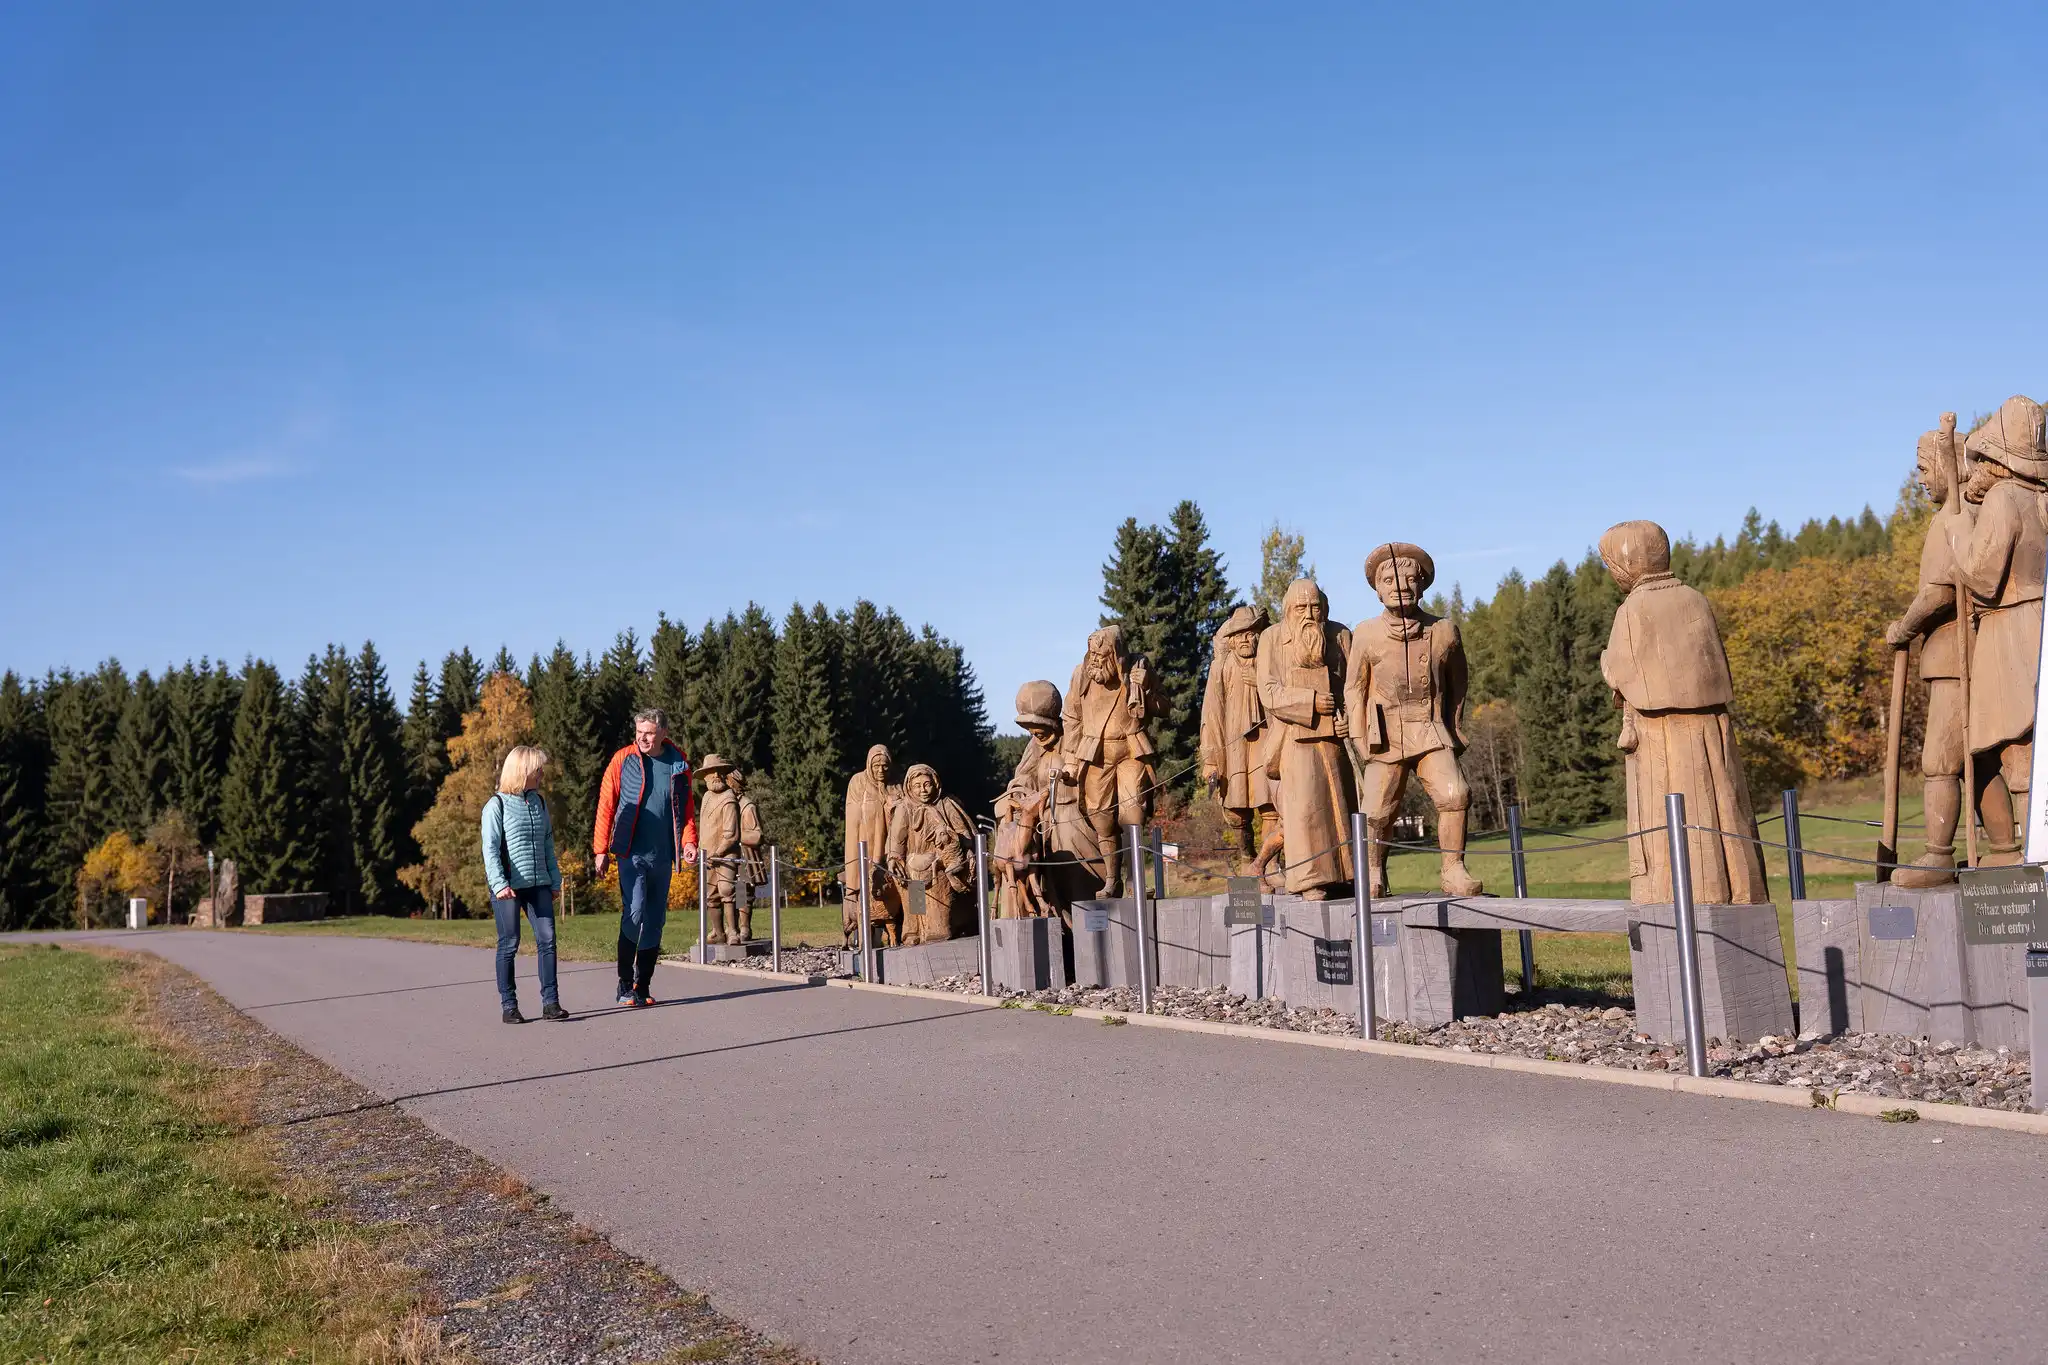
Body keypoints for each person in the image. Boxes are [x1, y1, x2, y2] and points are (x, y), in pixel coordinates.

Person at [1598, 520, 1769, 905]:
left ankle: (1681, 896)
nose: (1611, 574)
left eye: (1611, 565)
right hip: (1712, 729)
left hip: (1662, 736)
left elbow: (1624, 672)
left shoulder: (1633, 608)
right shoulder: (1695, 599)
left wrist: (1607, 662)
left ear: (1628, 563)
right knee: (1723, 806)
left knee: (1674, 816)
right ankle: (1738, 889)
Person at [1345, 543, 1484, 897]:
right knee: (1376, 810)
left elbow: (1459, 682)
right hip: (1384, 736)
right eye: (1389, 580)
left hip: (1429, 728)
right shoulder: (1366, 633)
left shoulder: (1444, 631)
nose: (1400, 586)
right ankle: (1373, 872)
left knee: (1456, 794)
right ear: (1377, 590)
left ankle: (1453, 869)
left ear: (1422, 586)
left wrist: (1453, 726)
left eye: (1409, 579)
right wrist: (1360, 740)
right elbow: (1354, 690)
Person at [1255, 578, 1355, 899]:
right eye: (1301, 608)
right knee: (1306, 808)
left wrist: (1349, 719)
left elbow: (1354, 687)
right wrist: (1310, 702)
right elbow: (1269, 692)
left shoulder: (1340, 635)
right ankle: (1310, 878)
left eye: (1315, 607)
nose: (1309, 614)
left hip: (1334, 738)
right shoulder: (1271, 639)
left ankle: (1347, 875)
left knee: (1341, 804)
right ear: (1288, 610)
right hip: (1294, 738)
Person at [593, 709, 698, 1006]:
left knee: (655, 920)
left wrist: (689, 841)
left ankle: (643, 985)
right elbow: (606, 804)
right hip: (631, 853)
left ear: (663, 732)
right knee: (635, 911)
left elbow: (686, 808)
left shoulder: (678, 763)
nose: (642, 738)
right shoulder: (622, 760)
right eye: (639, 732)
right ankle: (624, 983)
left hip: (663, 855)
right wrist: (600, 850)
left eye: (649, 733)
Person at [1059, 624, 1164, 896]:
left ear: (1116, 655)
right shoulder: (1081, 675)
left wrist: (1147, 689)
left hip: (1130, 750)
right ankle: (1111, 880)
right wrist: (1070, 761)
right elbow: (1071, 717)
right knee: (1101, 818)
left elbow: (1164, 707)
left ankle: (1135, 880)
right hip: (1096, 754)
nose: (1094, 660)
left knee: (1133, 814)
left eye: (1101, 655)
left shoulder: (1138, 667)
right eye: (1091, 654)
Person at [482, 745, 567, 1023]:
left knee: (547, 939)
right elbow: (490, 849)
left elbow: (547, 844)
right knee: (509, 943)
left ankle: (551, 1004)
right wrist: (499, 884)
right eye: (537, 769)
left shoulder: (539, 803)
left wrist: (554, 880)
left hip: (539, 883)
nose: (541, 774)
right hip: (508, 886)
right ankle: (509, 1006)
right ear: (523, 770)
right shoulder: (496, 805)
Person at [843, 744, 900, 946]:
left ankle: (900, 930)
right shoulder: (858, 781)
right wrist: (876, 808)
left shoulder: (896, 785)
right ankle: (866, 936)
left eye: (885, 765)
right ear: (869, 765)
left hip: (891, 845)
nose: (880, 770)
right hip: (866, 843)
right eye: (876, 766)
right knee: (867, 888)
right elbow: (854, 816)